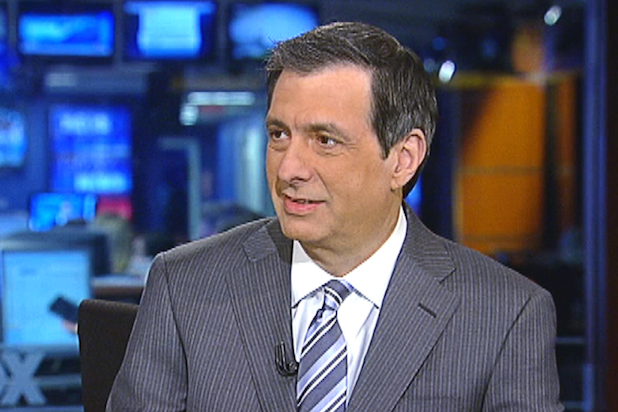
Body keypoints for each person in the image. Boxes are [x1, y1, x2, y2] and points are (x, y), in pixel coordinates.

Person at [107, 22, 563, 411]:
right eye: (279, 135)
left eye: (325, 140)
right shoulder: (184, 287)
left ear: (403, 159)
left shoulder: (506, 315)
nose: (289, 168)